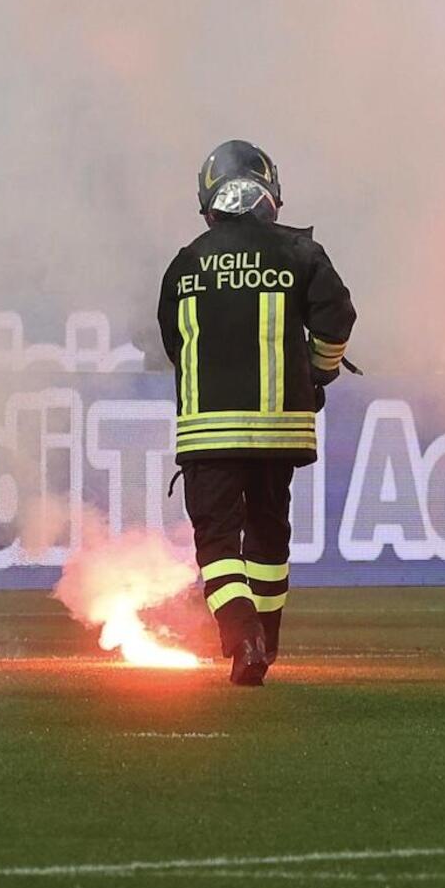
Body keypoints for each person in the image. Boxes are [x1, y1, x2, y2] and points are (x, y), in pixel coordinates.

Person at [158, 141, 357, 686]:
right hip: (279, 428)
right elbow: (338, 317)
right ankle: (264, 642)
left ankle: (240, 635)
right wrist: (320, 371)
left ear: (208, 197)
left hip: (208, 434)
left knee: (218, 543)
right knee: (269, 535)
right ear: (270, 193)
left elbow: (175, 343)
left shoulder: (185, 262)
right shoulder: (299, 253)